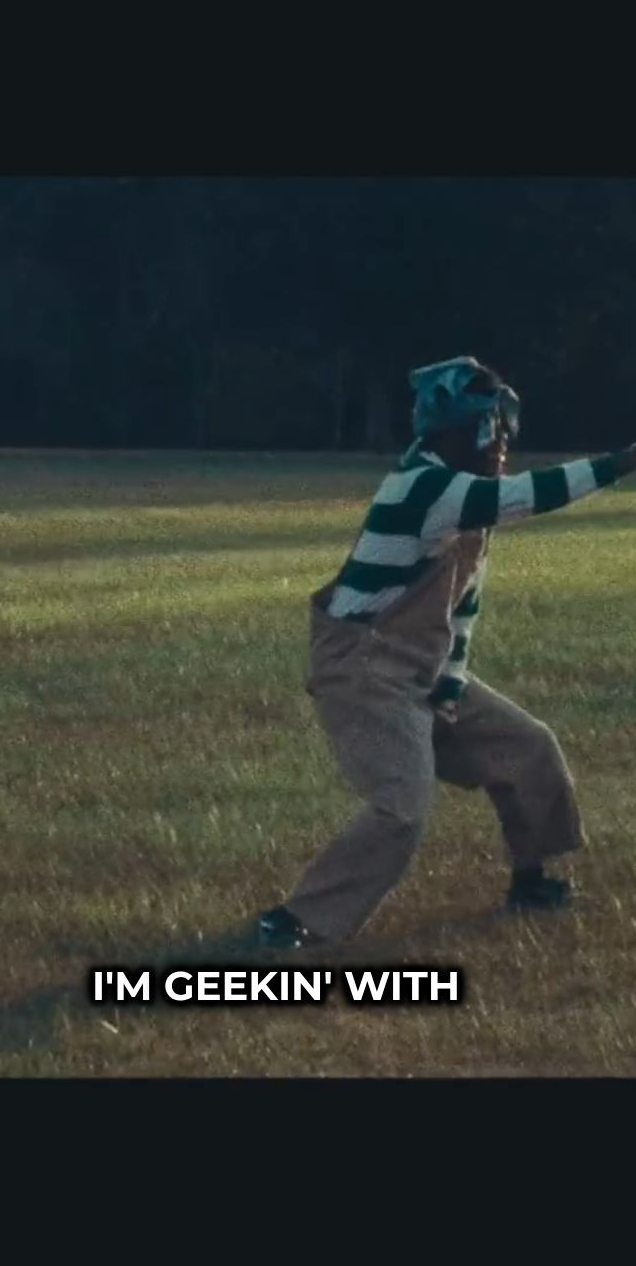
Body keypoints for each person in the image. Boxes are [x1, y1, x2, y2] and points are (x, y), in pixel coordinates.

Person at [254, 355, 636, 949]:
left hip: (417, 668)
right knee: (401, 809)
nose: (501, 441)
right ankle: (295, 921)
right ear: (452, 430)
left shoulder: (465, 501)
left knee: (528, 748)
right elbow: (532, 494)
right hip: (362, 668)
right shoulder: (427, 487)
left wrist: (451, 688)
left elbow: (461, 608)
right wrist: (623, 462)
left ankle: (532, 882)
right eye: (490, 426)